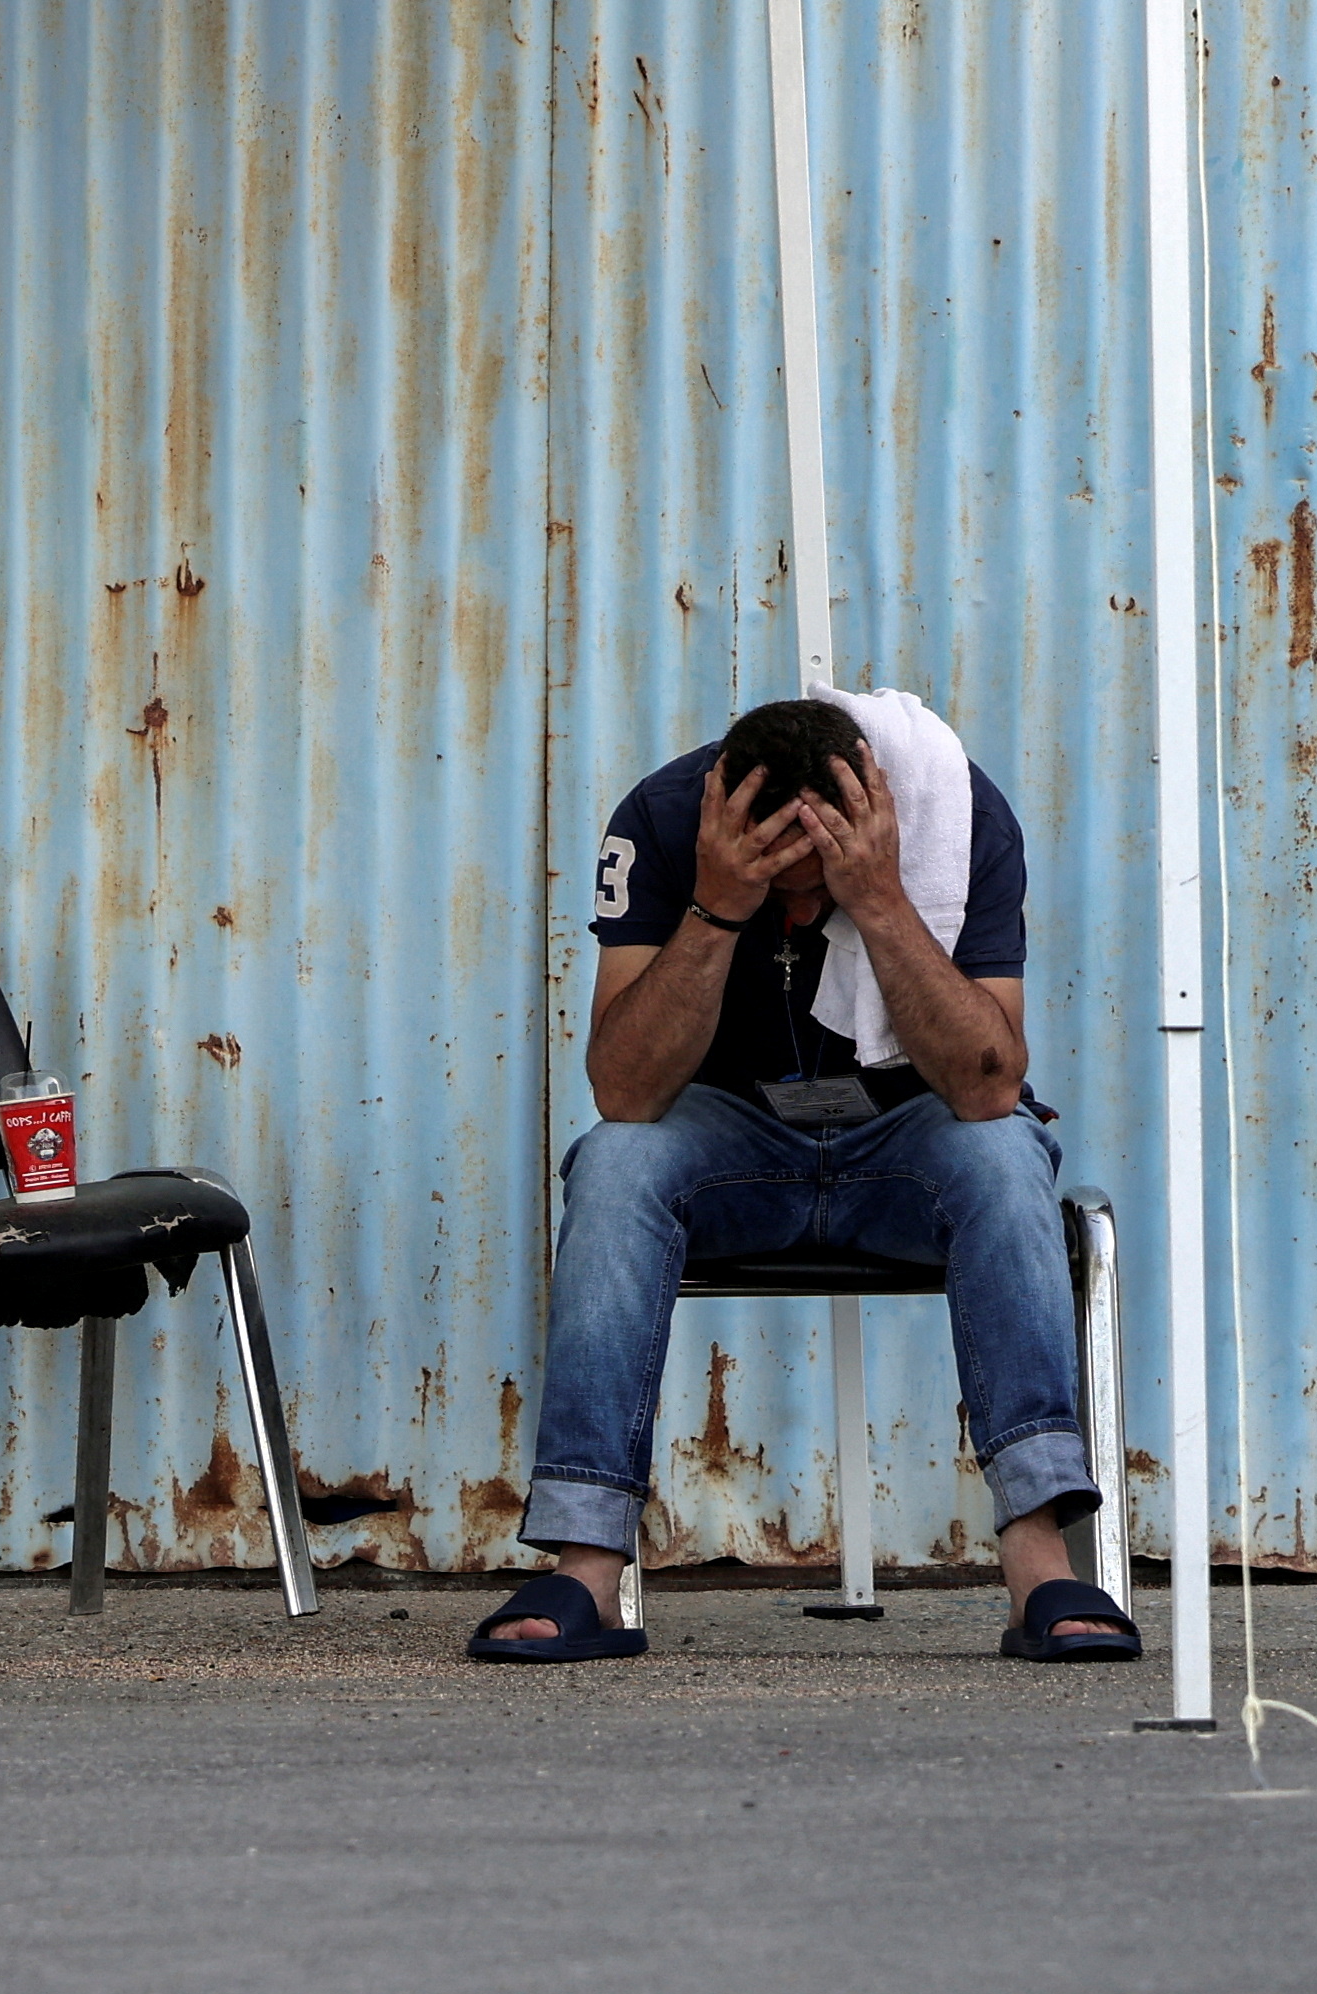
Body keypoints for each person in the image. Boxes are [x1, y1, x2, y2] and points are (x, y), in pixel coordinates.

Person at [470, 696, 1139, 1663]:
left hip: (908, 1138)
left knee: (1003, 1157)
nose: (796, 913)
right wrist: (716, 906)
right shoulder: (660, 819)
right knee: (614, 1163)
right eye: (778, 884)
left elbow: (988, 1087)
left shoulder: (959, 816)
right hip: (727, 1140)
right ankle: (584, 1568)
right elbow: (621, 1090)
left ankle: (1040, 1562)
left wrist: (877, 901)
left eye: (811, 883)